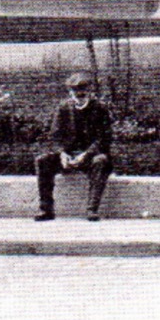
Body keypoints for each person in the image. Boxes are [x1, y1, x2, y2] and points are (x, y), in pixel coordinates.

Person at [35, 71, 113, 222]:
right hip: (68, 156)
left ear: (89, 91)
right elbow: (55, 135)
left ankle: (92, 209)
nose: (79, 94)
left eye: (83, 91)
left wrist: (85, 155)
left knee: (101, 161)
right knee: (42, 161)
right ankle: (46, 209)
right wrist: (62, 154)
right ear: (70, 92)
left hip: (90, 156)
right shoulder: (63, 108)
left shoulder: (100, 109)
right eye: (75, 91)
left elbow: (104, 138)